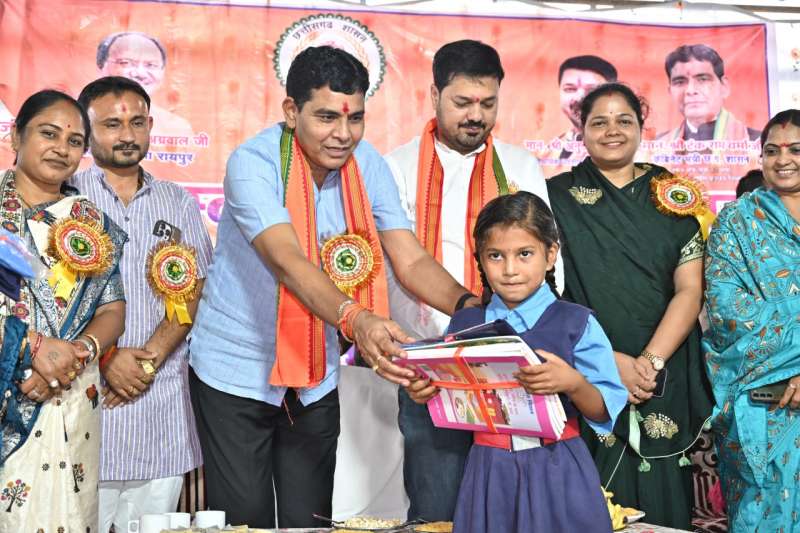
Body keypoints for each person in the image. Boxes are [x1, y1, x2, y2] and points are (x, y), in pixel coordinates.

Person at [187, 45, 480, 529]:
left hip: (314, 374)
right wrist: (357, 319)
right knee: (246, 522)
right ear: (291, 111)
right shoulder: (254, 163)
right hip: (236, 371)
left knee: (312, 520)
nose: (343, 134)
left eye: (355, 118)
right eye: (326, 117)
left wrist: (470, 306)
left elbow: (408, 258)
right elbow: (288, 262)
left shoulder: (366, 165)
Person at [384, 39, 560, 522]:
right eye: (463, 102)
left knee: (508, 506)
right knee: (438, 505)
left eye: (488, 103)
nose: (476, 116)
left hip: (508, 363)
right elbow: (396, 263)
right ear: (434, 95)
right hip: (429, 364)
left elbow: (547, 264)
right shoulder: (395, 167)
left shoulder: (519, 166)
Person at [404, 191, 627, 532]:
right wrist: (425, 391)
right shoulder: (465, 324)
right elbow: (450, 397)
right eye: (496, 256)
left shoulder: (576, 322)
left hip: (558, 468)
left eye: (525, 254)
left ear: (550, 255)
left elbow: (603, 410)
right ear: (480, 259)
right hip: (489, 470)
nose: (510, 270)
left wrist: (574, 383)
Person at [546, 82, 714, 529]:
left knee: (662, 497)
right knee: (589, 497)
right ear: (581, 131)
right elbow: (546, 295)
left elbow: (689, 290)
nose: (612, 131)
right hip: (586, 368)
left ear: (642, 127)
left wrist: (649, 363)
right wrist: (606, 360)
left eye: (624, 121)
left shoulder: (674, 197)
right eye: (599, 122)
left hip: (662, 369)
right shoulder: (555, 197)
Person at [71, 76, 213, 533]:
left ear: (151, 126)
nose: (127, 135)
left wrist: (148, 361)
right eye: (112, 124)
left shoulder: (177, 201)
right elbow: (47, 298)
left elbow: (193, 287)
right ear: (87, 131)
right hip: (84, 402)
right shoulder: (66, 197)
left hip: (160, 407)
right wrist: (107, 356)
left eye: (137, 122)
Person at [0, 90, 126, 531]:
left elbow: (113, 308)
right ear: (15, 136)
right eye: (48, 134)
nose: (61, 148)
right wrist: (33, 347)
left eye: (74, 141)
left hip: (71, 396)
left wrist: (78, 354)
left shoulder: (91, 225)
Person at [703, 109, 800, 532]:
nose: (783, 160)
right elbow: (728, 309)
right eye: (772, 150)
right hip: (767, 399)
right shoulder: (736, 222)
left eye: (796, 149)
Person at [97, 31, 194, 140]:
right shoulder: (83, 119)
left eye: (151, 65)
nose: (140, 73)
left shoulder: (177, 128)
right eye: (126, 63)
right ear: (101, 67)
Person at [659, 44, 759, 142]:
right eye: (680, 82)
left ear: (724, 87)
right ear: (670, 92)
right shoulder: (658, 145)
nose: (690, 90)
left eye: (702, 79)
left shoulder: (757, 142)